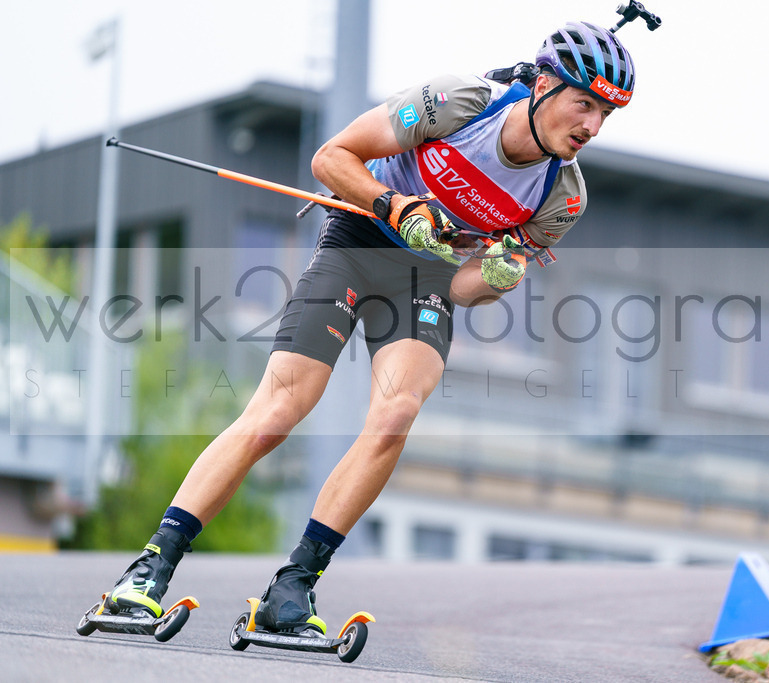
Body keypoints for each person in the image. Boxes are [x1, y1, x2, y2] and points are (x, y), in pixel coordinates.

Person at [101, 21, 637, 634]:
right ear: (544, 86)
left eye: (606, 114)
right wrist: (394, 204)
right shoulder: (462, 101)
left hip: (428, 276)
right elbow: (331, 157)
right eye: (585, 104)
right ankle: (149, 568)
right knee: (279, 411)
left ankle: (293, 587)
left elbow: (465, 291)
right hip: (358, 240)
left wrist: (496, 274)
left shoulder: (563, 196)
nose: (593, 126)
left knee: (395, 416)